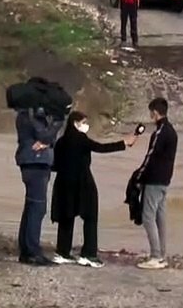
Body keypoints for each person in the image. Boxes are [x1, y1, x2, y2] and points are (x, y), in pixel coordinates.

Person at [50, 111, 137, 267]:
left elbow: (54, 165)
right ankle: (88, 254)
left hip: (63, 183)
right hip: (83, 182)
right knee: (90, 216)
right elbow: (100, 148)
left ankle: (62, 252)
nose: (86, 125)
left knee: (66, 217)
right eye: (83, 122)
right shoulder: (81, 139)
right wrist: (123, 143)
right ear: (75, 123)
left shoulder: (61, 141)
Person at [15, 106, 65, 266]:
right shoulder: (32, 115)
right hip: (35, 163)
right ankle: (32, 252)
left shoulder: (25, 114)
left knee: (31, 206)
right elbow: (45, 135)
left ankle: (26, 249)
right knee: (38, 207)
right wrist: (58, 122)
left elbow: (47, 139)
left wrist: (47, 141)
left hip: (33, 162)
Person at [135, 97, 178, 269]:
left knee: (148, 217)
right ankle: (162, 255)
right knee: (160, 217)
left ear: (154, 112)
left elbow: (150, 156)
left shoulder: (160, 132)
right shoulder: (172, 131)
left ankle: (155, 256)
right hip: (165, 179)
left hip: (154, 179)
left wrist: (139, 176)